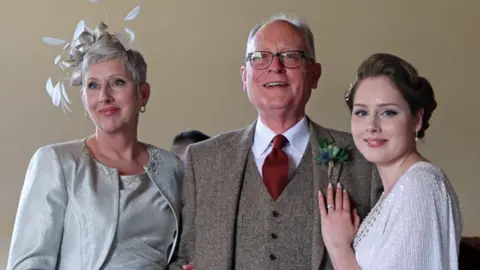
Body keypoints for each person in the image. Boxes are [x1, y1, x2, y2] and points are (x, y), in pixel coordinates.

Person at [169, 13, 383, 269]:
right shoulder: (203, 161)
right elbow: (181, 259)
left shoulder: (363, 159)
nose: (275, 67)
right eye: (259, 57)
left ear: (314, 74)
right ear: (244, 77)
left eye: (291, 56)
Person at [7, 19, 183, 270]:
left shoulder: (172, 167)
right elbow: (28, 263)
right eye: (93, 86)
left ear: (143, 94)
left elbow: (184, 253)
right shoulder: (57, 162)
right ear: (84, 98)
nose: (104, 97)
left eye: (117, 82)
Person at [317, 53, 463, 269]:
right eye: (361, 112)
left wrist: (339, 248)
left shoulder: (420, 187)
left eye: (388, 112)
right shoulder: (398, 189)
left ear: (416, 119)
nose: (372, 126)